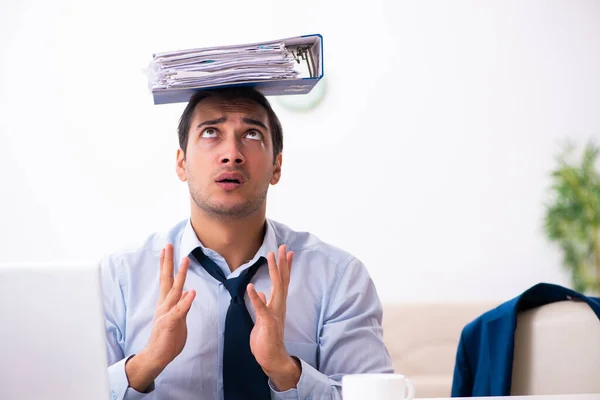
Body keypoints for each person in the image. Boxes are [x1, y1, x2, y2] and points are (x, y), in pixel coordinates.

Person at [100, 86, 394, 400]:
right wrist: (147, 362)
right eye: (211, 131)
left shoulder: (338, 277)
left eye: (252, 134)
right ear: (181, 163)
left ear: (276, 167)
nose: (232, 154)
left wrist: (285, 370)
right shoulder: (119, 277)